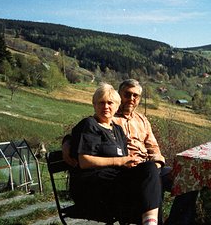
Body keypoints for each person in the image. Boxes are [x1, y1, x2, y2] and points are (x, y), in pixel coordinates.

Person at [63, 79, 198, 225]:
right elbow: (84, 133)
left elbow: (153, 147)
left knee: (187, 180)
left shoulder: (142, 120)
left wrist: (157, 163)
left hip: (148, 166)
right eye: (127, 94)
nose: (132, 99)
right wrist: (67, 143)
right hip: (129, 172)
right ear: (120, 96)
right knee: (152, 181)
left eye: (136, 96)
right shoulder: (109, 115)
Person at [68, 83, 162, 225]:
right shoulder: (90, 124)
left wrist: (131, 163)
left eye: (110, 103)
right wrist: (119, 162)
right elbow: (84, 161)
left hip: (114, 180)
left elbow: (125, 159)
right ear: (94, 105)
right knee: (146, 189)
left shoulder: (117, 129)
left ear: (117, 105)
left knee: (149, 170)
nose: (106, 107)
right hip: (94, 184)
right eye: (101, 103)